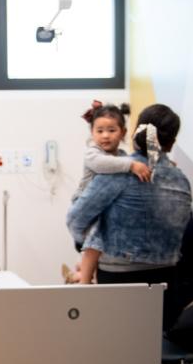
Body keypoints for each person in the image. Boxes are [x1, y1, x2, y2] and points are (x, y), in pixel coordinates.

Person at [66, 104, 192, 329]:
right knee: (152, 348)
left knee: (116, 351)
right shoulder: (181, 179)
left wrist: (83, 244)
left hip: (120, 278)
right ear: (171, 142)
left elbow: (76, 219)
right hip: (167, 280)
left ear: (133, 133)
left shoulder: (118, 173)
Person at [63, 101, 151, 284]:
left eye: (112, 130)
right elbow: (101, 164)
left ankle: (79, 273)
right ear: (92, 133)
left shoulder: (122, 155)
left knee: (103, 246)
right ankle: (84, 281)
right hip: (87, 209)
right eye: (100, 131)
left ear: (123, 133)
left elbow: (139, 172)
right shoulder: (93, 153)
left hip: (106, 206)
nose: (105, 136)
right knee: (96, 240)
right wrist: (132, 165)